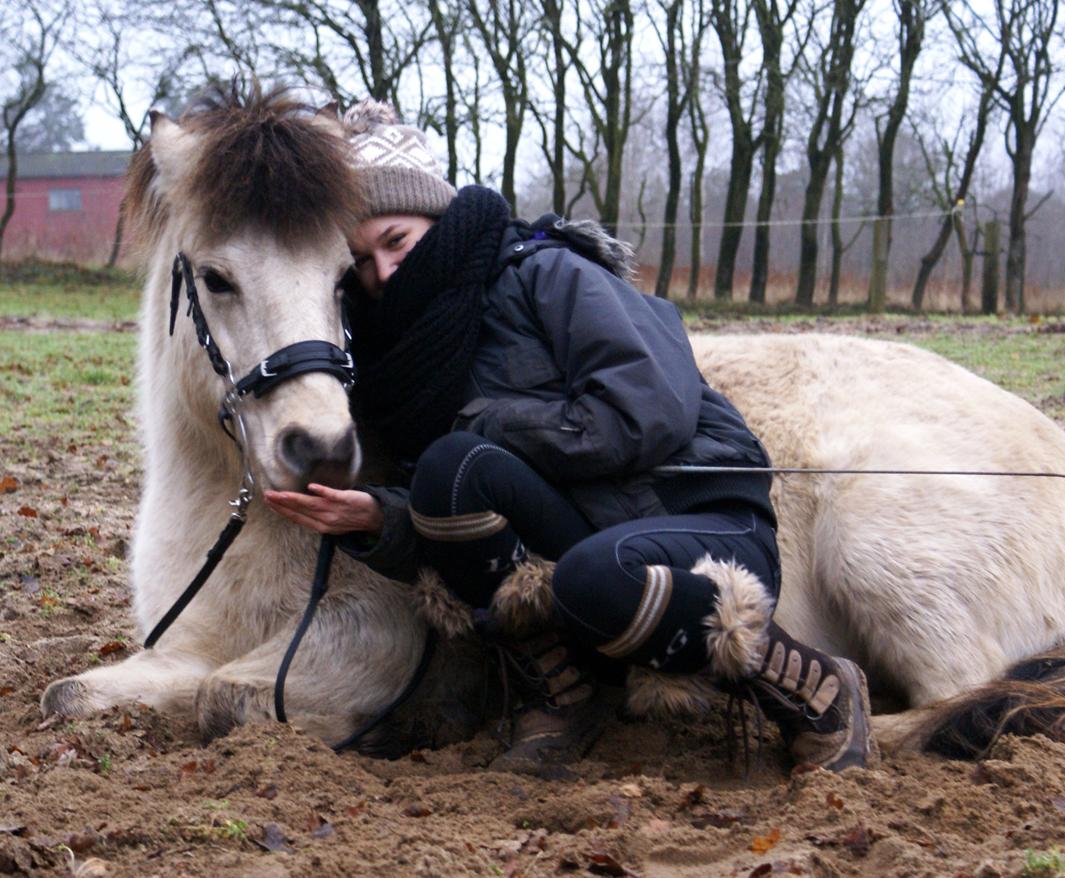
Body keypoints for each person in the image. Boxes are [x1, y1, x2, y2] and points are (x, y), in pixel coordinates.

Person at [264, 99, 877, 776]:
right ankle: (564, 697)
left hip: (696, 517)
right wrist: (385, 518)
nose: (383, 274)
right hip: (590, 535)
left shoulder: (547, 272)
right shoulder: (407, 354)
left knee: (589, 572)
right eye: (362, 262)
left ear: (437, 218)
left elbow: (647, 410)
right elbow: (458, 512)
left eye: (396, 241)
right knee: (450, 469)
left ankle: (815, 687)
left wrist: (492, 420)